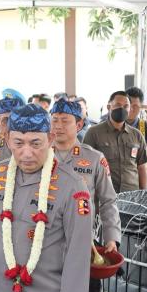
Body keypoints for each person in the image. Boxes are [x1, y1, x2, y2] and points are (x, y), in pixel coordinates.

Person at [0, 104, 94, 292]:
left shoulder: (72, 186)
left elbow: (77, 260)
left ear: (50, 139)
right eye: (19, 143)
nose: (27, 153)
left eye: (35, 143)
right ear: (7, 139)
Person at [50, 98, 121, 254]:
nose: (58, 126)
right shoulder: (40, 157)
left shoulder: (94, 158)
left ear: (79, 125)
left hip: (83, 240)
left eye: (64, 121)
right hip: (46, 240)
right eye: (54, 120)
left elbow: (108, 200)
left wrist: (111, 237)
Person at [83, 90, 147, 193]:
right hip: (104, 195)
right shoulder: (94, 133)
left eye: (126, 106)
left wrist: (143, 194)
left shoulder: (137, 135)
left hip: (131, 195)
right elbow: (85, 165)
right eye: (118, 105)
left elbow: (142, 167)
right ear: (109, 107)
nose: (122, 109)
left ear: (129, 109)